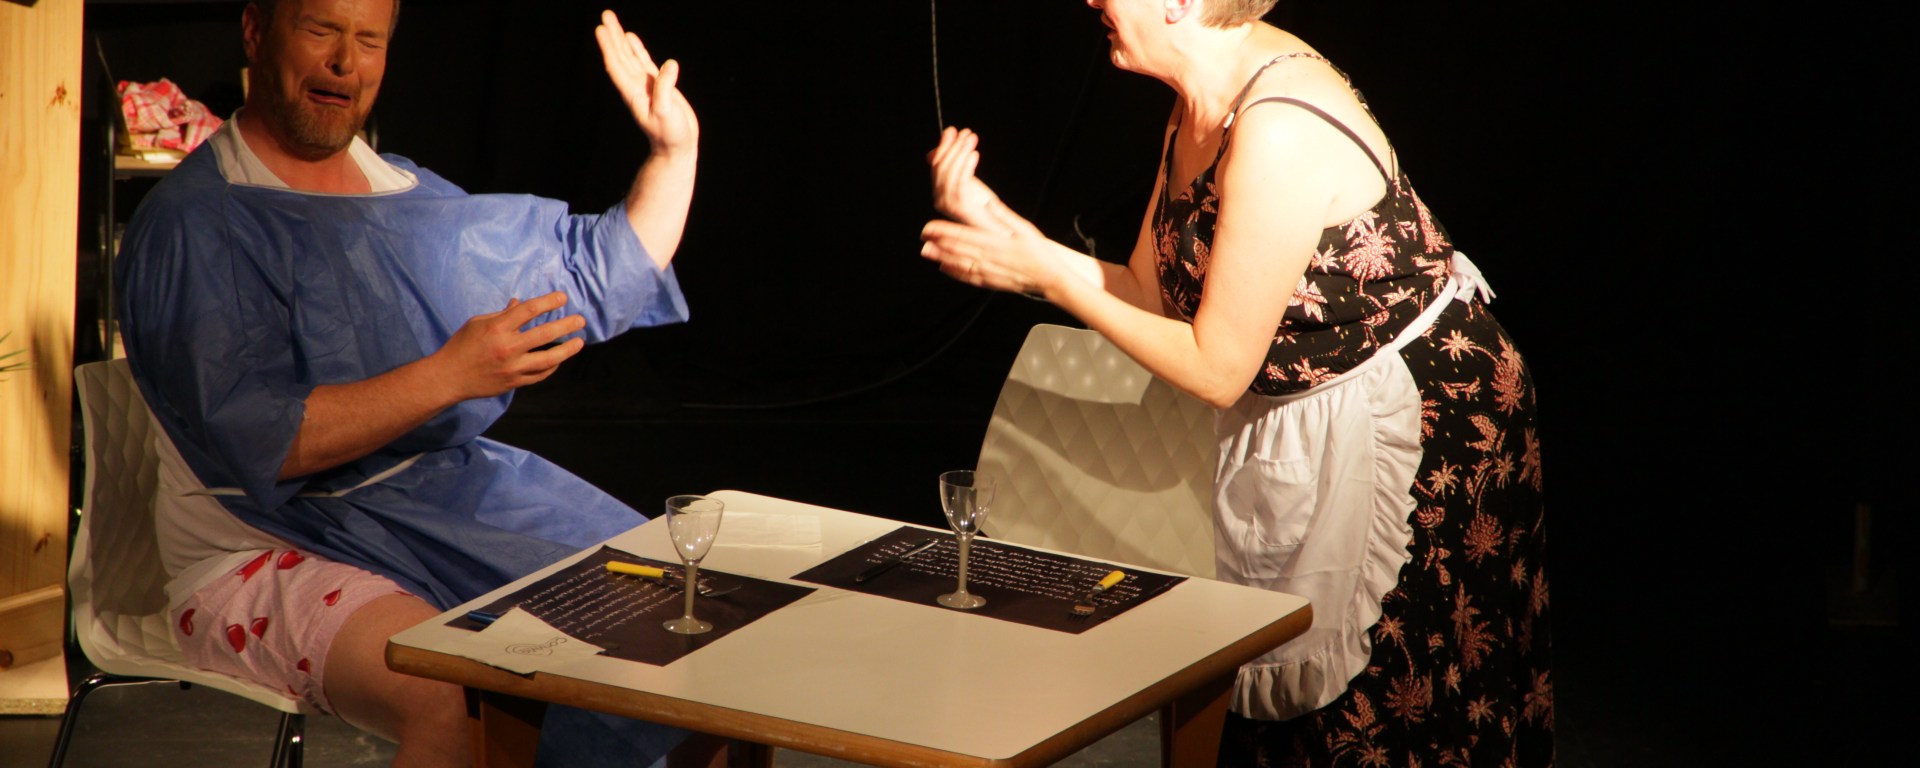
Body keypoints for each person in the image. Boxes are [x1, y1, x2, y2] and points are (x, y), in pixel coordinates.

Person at [919, 0, 1551, 764]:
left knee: (1385, 715)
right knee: (1271, 706)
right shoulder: (1200, 103)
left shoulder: (1279, 125)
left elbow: (1216, 369)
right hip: (1301, 412)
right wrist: (1016, 239)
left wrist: (1047, 274)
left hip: (1417, 425)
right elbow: (1153, 297)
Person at [114, 1, 704, 765]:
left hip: (428, 504)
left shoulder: (404, 198)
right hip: (257, 546)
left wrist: (674, 152)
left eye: (369, 40)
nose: (345, 62)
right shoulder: (196, 224)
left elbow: (592, 273)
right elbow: (267, 442)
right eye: (321, 30)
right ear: (256, 31)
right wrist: (451, 373)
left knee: (684, 630)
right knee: (448, 692)